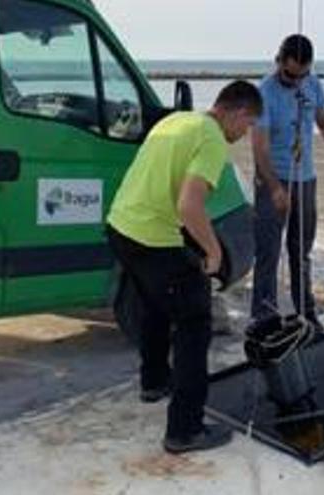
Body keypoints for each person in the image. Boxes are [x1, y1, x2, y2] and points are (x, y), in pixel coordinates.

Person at [107, 80, 263, 454]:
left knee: (155, 305)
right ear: (238, 112)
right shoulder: (210, 140)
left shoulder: (175, 121)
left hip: (120, 227)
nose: (244, 135)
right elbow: (189, 206)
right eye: (247, 125)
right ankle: (185, 429)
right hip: (151, 236)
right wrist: (213, 252)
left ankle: (154, 381)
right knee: (195, 322)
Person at [251, 34, 324, 329]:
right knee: (269, 252)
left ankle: (306, 312)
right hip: (273, 179)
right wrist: (274, 188)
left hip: (306, 179)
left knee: (301, 251)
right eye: (290, 75)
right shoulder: (265, 92)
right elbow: (258, 147)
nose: (296, 81)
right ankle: (264, 317)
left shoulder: (312, 85)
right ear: (279, 62)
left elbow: (322, 121)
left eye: (302, 75)